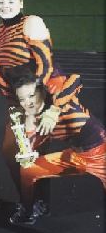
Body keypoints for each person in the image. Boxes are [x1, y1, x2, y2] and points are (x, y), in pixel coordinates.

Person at [0, 0, 64, 197]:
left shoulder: (31, 23)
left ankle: (40, 201)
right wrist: (13, 104)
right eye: (2, 2)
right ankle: (27, 198)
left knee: (34, 152)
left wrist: (35, 101)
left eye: (11, 1)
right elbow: (0, 73)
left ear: (21, 3)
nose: (6, 5)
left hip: (39, 96)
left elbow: (45, 64)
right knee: (9, 151)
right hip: (16, 100)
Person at [7, 67, 106, 224]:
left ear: (41, 91)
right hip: (75, 155)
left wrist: (54, 110)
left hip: (100, 151)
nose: (27, 102)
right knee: (27, 171)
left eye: (31, 95)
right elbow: (29, 147)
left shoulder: (58, 98)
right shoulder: (29, 117)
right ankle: (29, 211)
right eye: (22, 99)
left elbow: (77, 78)